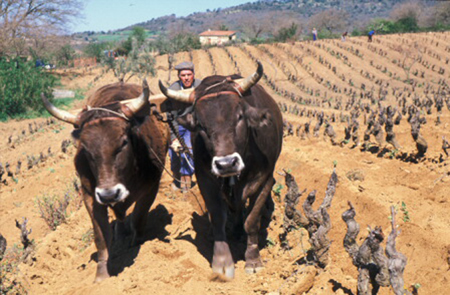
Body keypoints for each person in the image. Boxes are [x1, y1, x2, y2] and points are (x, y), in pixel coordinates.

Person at [169, 61, 201, 192]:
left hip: (193, 124)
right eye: (183, 75)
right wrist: (174, 138)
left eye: (189, 74)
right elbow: (171, 117)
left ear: (193, 75)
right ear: (179, 76)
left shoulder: (200, 86)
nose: (186, 78)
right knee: (174, 155)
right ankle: (177, 178)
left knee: (188, 150)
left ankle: (187, 182)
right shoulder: (173, 90)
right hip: (177, 124)